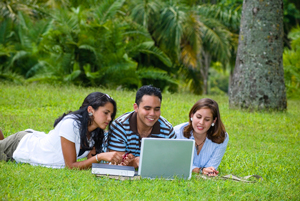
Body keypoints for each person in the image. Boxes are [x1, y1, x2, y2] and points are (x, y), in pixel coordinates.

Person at [0, 92, 124, 169]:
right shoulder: (71, 124)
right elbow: (71, 166)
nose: (109, 118)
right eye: (106, 113)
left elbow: (90, 164)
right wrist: (101, 156)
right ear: (90, 110)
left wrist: (121, 162)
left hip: (32, 142)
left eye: (111, 115)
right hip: (19, 146)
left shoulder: (96, 132)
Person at [107, 85, 176, 168]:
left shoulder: (167, 130)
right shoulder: (120, 126)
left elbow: (172, 162)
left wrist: (136, 161)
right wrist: (134, 162)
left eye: (157, 109)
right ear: (136, 107)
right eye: (147, 108)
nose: (152, 114)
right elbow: (116, 164)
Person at [174, 98, 229, 176]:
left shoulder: (222, 137)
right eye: (198, 117)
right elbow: (176, 163)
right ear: (192, 116)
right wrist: (199, 170)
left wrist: (207, 170)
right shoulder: (177, 132)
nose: (201, 122)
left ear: (214, 121)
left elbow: (211, 167)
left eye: (207, 119)